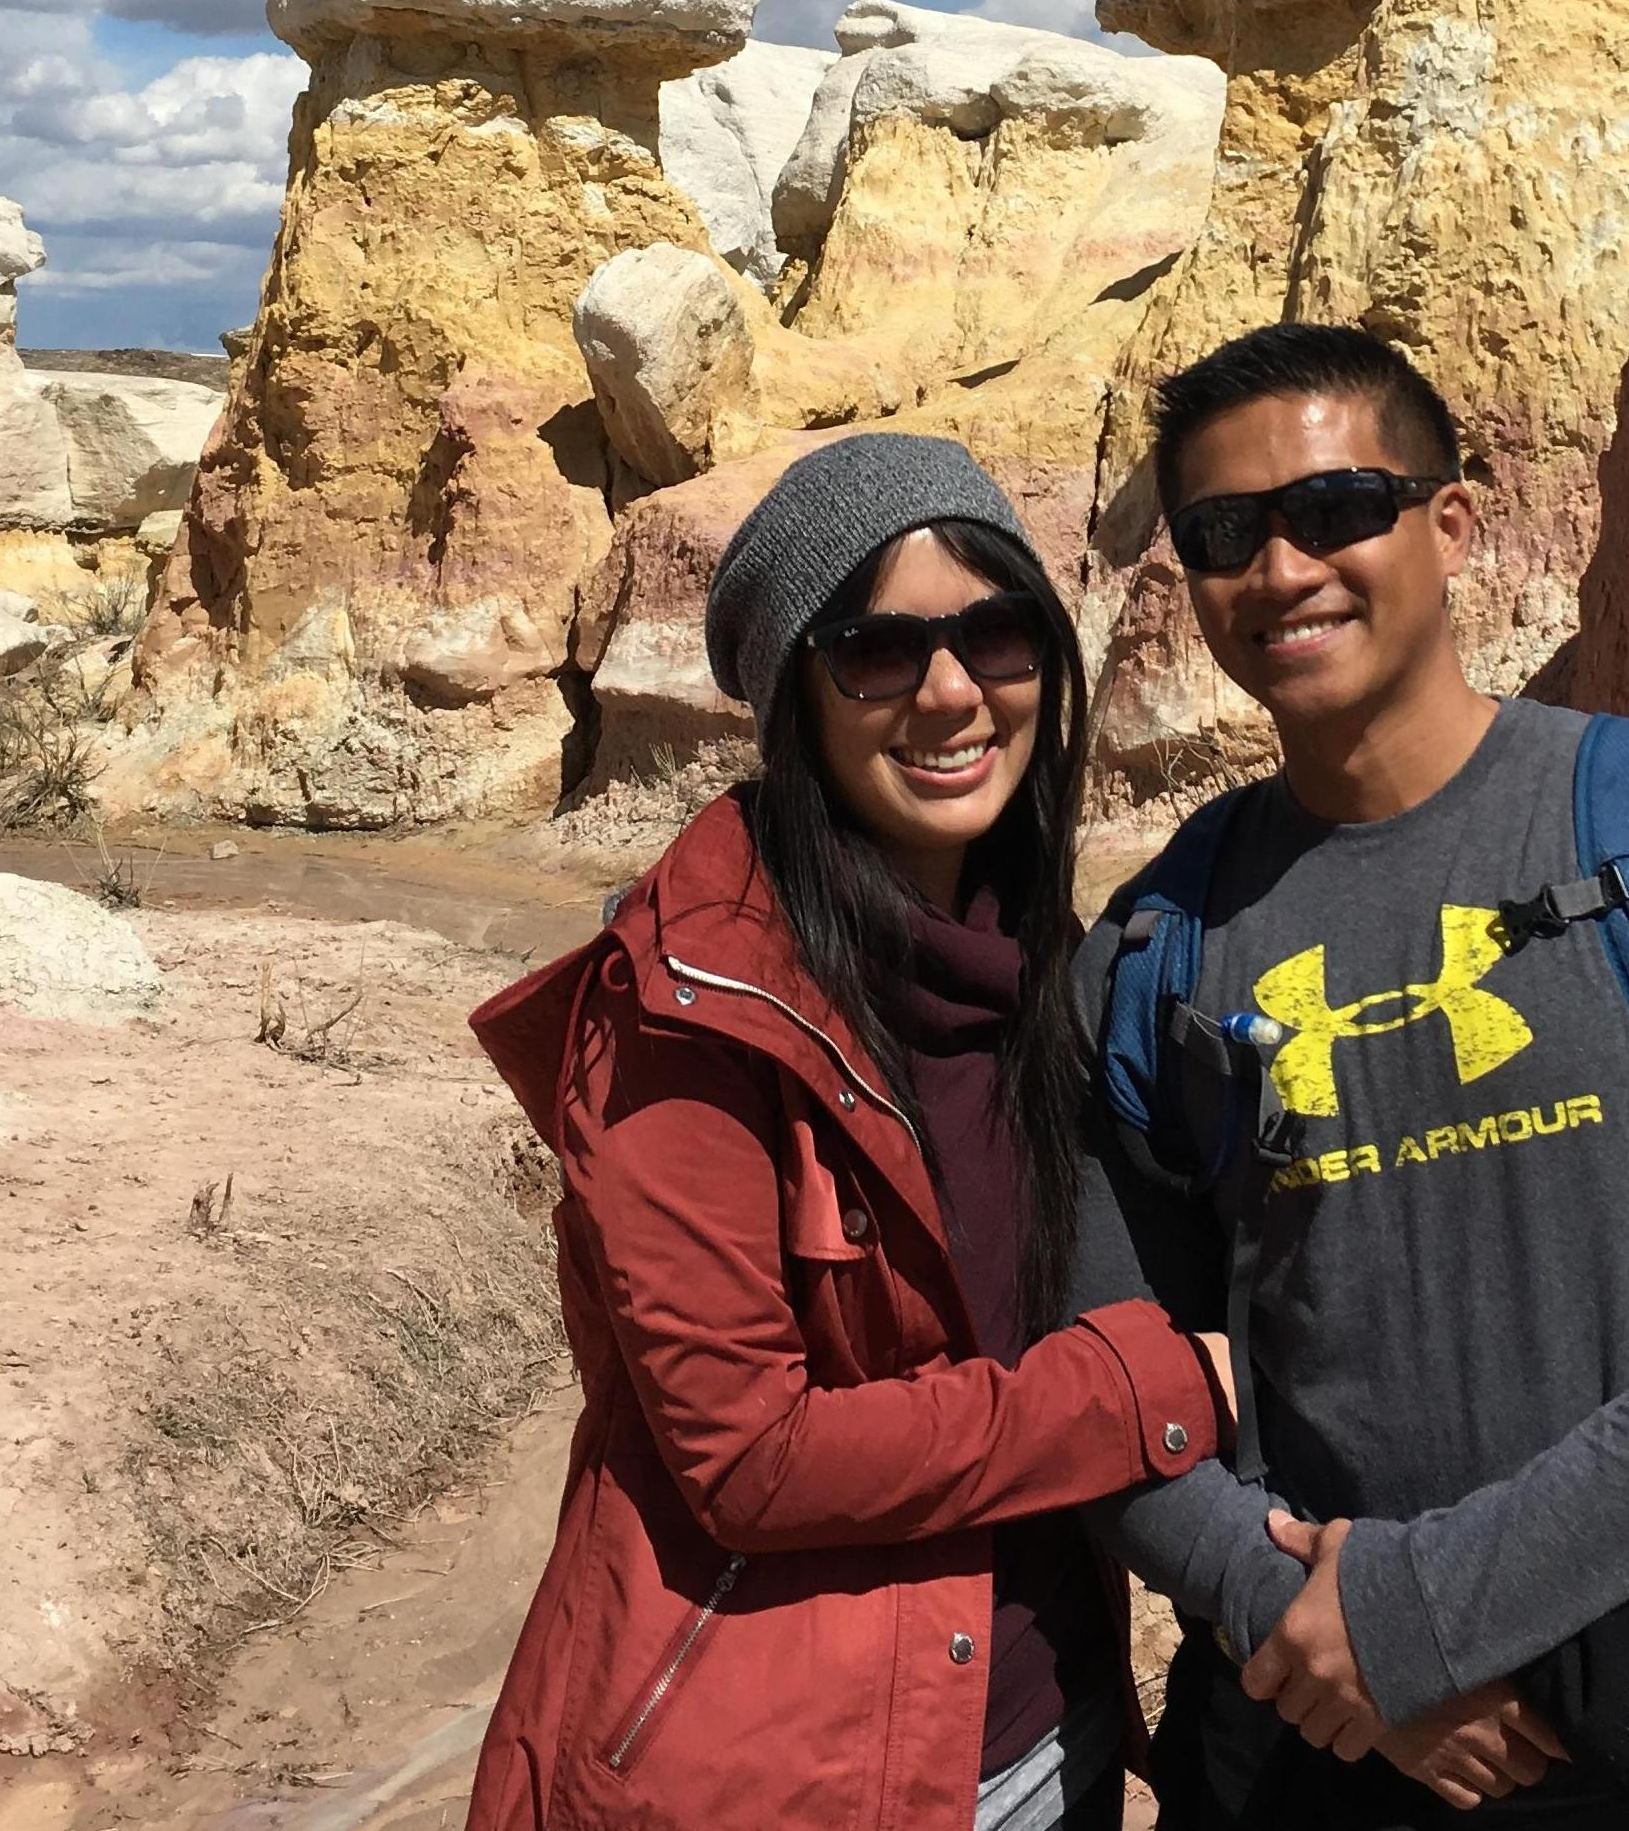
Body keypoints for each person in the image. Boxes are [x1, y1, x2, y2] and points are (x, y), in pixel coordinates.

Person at [1070, 325, 1629, 1830]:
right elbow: (1099, 1387)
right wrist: (1290, 1619)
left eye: (1336, 510)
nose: (1281, 569)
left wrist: (1417, 1617)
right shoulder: (1153, 949)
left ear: (1451, 526)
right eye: (1223, 534)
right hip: (1333, 1736)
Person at [466, 432, 1232, 1831]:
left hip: (1044, 1733)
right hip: (796, 1775)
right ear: (795, 702)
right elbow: (754, 1456)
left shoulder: (1031, 965)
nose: (950, 692)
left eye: (997, 634)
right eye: (879, 650)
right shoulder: (690, 1013)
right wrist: (1137, 1397)